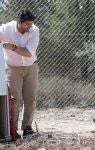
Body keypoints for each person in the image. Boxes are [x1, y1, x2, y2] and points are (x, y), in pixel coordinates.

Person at [0, 9, 39, 139]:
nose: (29, 27)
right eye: (26, 24)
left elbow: (29, 53)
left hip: (31, 67)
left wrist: (12, 47)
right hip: (12, 68)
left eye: (31, 24)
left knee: (31, 98)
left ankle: (27, 128)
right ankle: (12, 130)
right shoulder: (5, 29)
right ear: (19, 22)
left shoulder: (34, 30)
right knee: (14, 99)